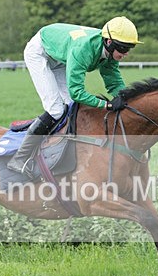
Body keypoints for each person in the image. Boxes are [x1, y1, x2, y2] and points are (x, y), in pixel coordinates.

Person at [7, 16, 142, 178]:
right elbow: (76, 92)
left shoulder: (111, 52)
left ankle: (65, 150)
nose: (126, 53)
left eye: (130, 48)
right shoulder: (84, 49)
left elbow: (113, 80)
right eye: (123, 48)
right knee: (56, 110)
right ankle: (19, 158)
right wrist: (106, 105)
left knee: (72, 108)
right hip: (40, 52)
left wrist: (126, 99)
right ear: (108, 42)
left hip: (61, 56)